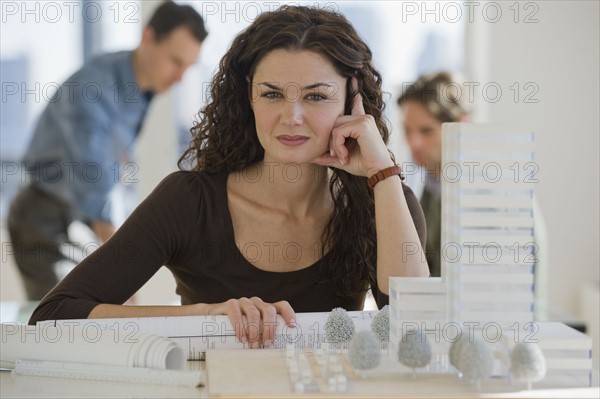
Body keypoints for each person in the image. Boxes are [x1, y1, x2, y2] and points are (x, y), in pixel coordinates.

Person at [29, 5, 429, 348]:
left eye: (316, 95)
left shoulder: (385, 199)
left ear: (351, 99)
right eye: (272, 94)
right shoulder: (188, 201)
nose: (292, 117)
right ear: (248, 98)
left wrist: (382, 172)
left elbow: (416, 329)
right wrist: (207, 317)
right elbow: (53, 317)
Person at [9, 2, 207, 300]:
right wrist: (124, 276)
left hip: (78, 218)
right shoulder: (94, 91)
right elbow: (97, 185)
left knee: (95, 315)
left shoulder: (142, 88)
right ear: (147, 38)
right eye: (175, 62)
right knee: (59, 324)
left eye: (188, 67)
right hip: (43, 217)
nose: (180, 77)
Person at [397, 72, 468, 277]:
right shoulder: (431, 187)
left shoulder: (486, 195)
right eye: (407, 130)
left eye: (426, 131)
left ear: (461, 125)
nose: (413, 143)